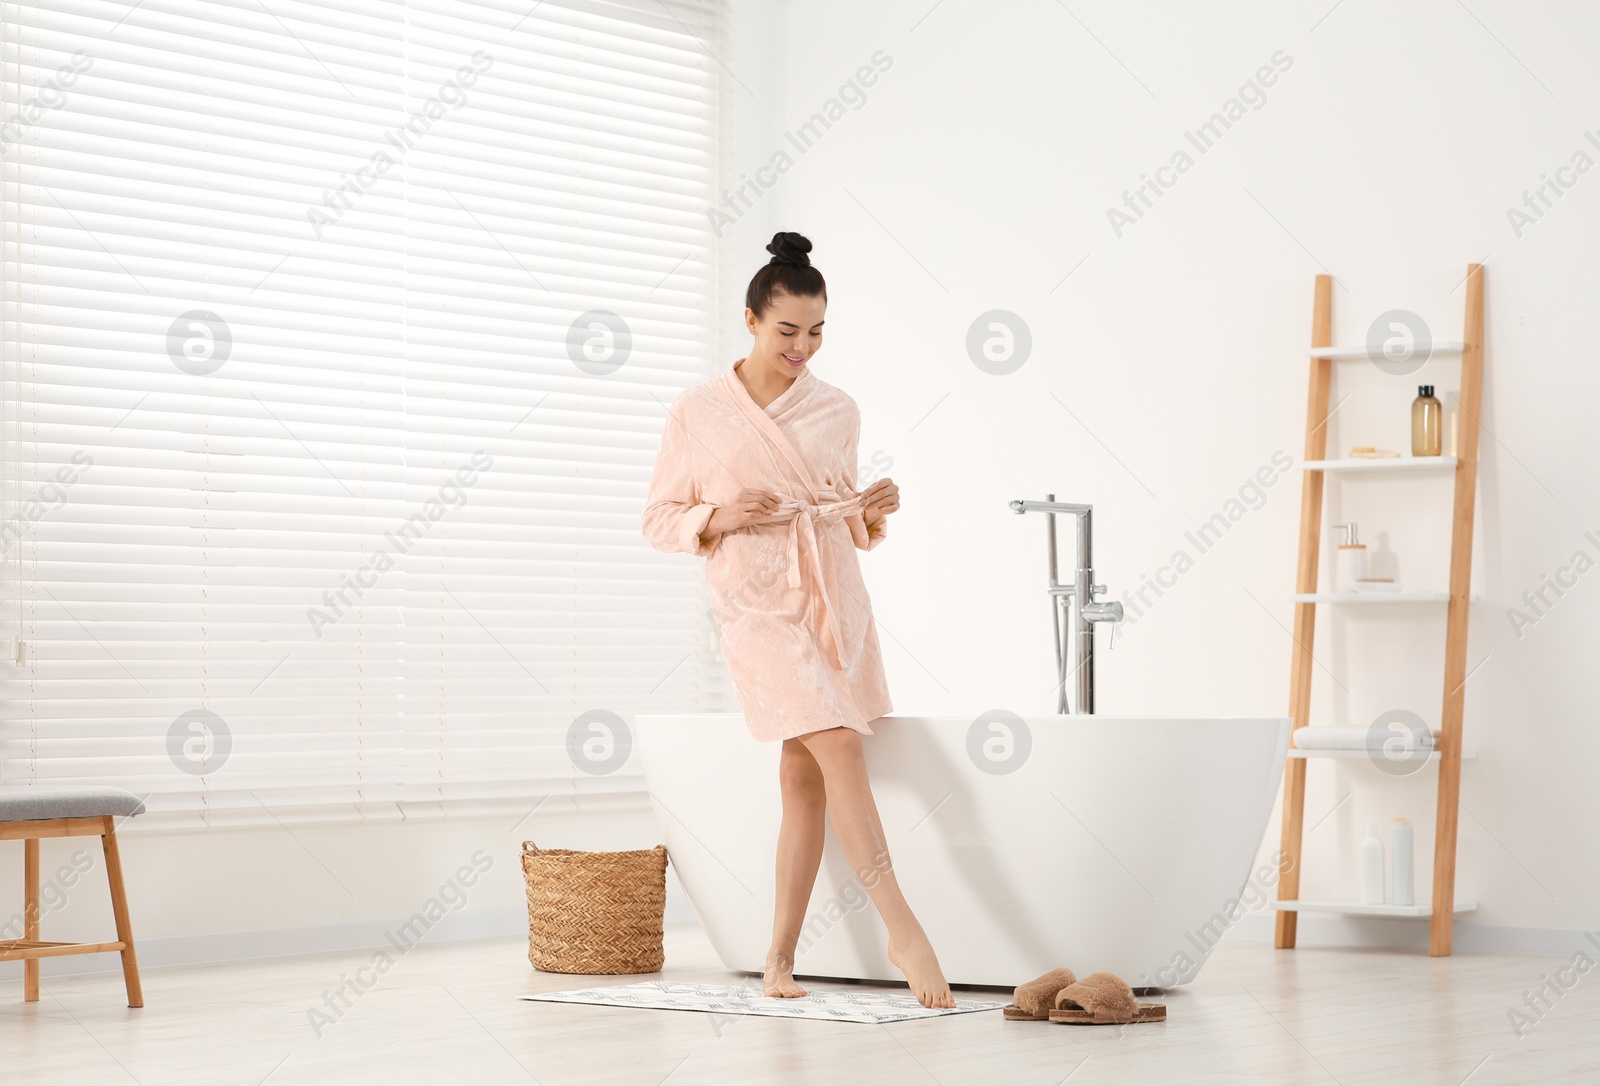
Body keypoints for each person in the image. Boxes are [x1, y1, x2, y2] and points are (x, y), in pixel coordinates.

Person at [641, 231, 954, 1009]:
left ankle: (777, 958)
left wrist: (869, 511)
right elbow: (659, 517)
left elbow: (844, 517)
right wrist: (720, 512)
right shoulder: (698, 411)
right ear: (751, 319)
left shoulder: (836, 408)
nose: (803, 347)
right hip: (753, 603)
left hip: (829, 598)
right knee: (841, 746)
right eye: (788, 330)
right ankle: (903, 929)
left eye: (817, 332)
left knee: (801, 776)